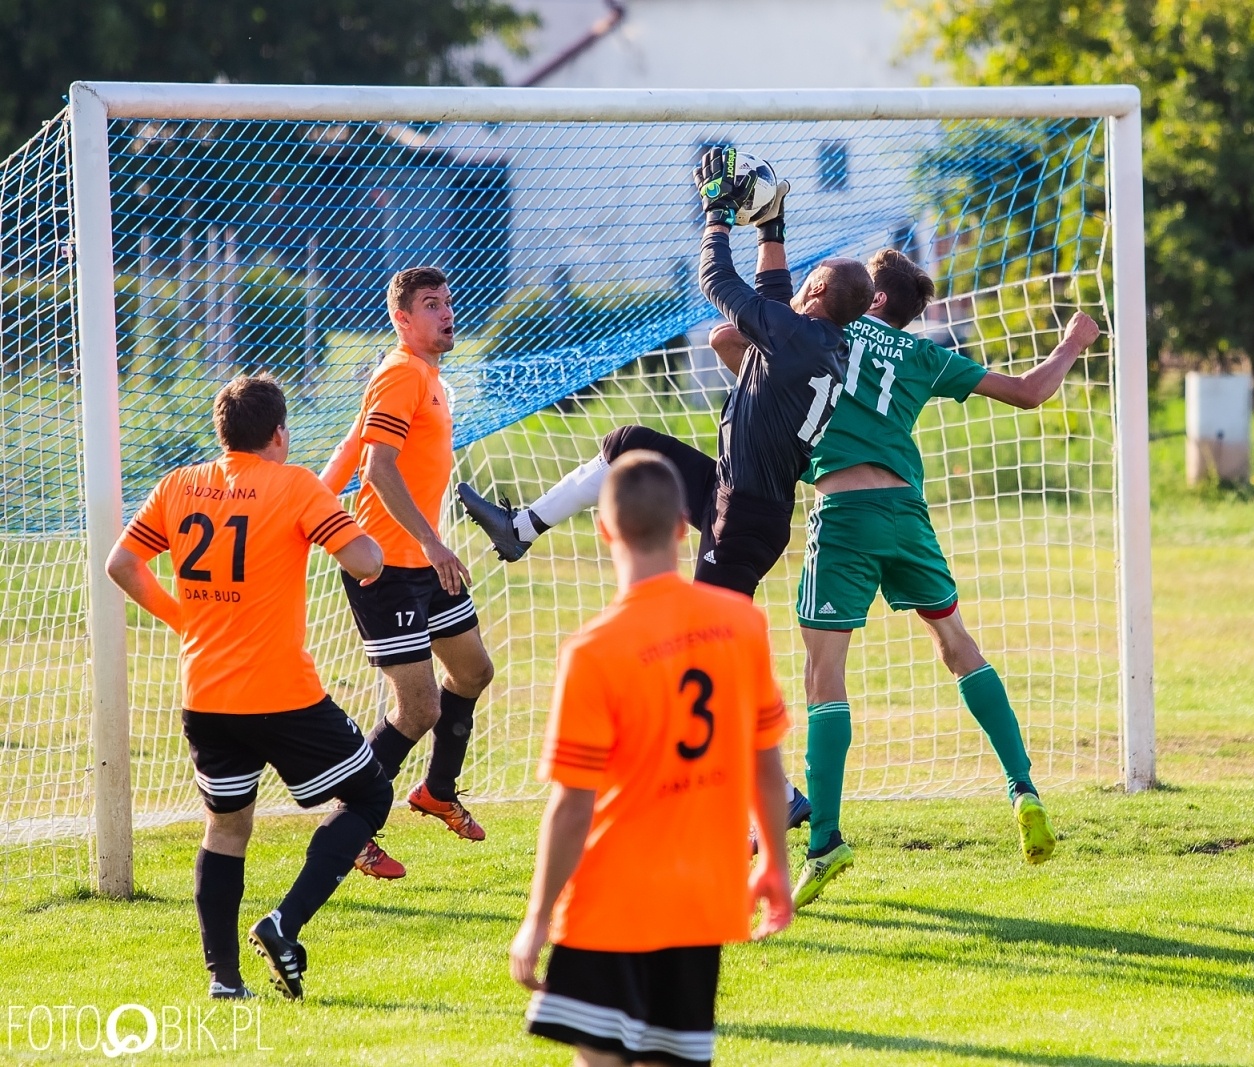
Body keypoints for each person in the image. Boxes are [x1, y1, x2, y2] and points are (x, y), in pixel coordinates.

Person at [459, 146, 871, 830]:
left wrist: (716, 212)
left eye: (812, 278)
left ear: (820, 292)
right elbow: (773, 294)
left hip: (743, 516)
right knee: (629, 443)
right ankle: (521, 527)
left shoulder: (798, 336)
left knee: (704, 658)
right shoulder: (817, 340)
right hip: (742, 496)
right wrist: (772, 226)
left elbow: (716, 280)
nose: (801, 281)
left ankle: (769, 799)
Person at [709, 249, 1099, 906]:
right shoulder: (924, 356)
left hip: (845, 516)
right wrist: (1072, 342)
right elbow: (1031, 392)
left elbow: (725, 336)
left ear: (875, 298)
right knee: (958, 644)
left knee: (823, 675)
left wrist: (772, 379)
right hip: (907, 513)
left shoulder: (827, 331)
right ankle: (1023, 787)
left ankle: (825, 841)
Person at [106, 374, 389, 1000]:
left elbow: (122, 563)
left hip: (205, 695)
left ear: (222, 432)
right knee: (370, 796)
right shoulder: (295, 485)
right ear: (279, 434)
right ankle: (284, 923)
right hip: (282, 695)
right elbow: (366, 561)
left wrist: (183, 619)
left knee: (227, 828)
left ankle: (225, 981)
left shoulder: (178, 484)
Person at [509, 450, 793, 1067]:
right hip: (702, 899)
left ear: (605, 530)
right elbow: (767, 766)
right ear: (685, 527)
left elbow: (572, 805)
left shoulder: (594, 650)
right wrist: (774, 860)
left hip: (612, 899)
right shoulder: (743, 624)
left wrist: (536, 918)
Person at [319, 266, 497, 879]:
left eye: (448, 301)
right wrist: (433, 542)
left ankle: (437, 791)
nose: (446, 313)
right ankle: (349, 826)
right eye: (430, 304)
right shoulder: (400, 372)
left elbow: (350, 448)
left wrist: (311, 502)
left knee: (473, 671)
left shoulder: (425, 376)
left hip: (424, 561)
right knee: (417, 708)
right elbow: (377, 468)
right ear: (402, 319)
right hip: (389, 568)